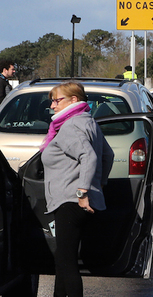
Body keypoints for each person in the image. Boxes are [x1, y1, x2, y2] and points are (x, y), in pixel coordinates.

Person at [40, 81, 114, 297]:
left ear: (74, 100)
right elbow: (107, 156)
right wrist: (97, 184)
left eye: (57, 100)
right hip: (78, 201)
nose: (52, 106)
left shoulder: (71, 126)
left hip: (70, 201)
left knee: (66, 263)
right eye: (51, 101)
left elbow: (88, 156)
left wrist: (83, 191)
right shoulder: (88, 121)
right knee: (63, 262)